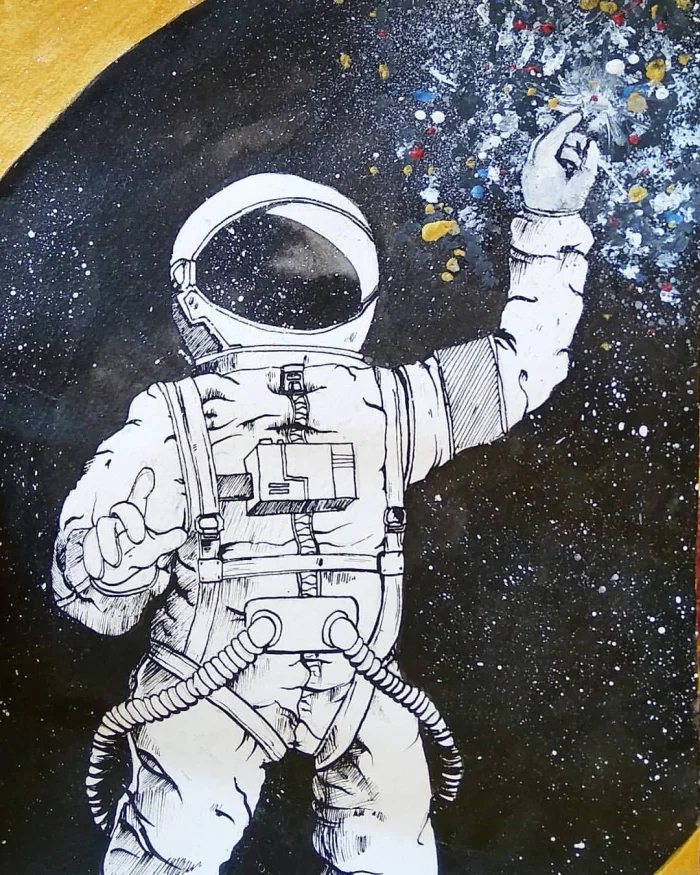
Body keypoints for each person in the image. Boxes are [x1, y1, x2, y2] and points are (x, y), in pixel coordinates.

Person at [52, 112, 598, 875]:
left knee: (212, 846)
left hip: (314, 683)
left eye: (312, 285)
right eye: (281, 282)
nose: (294, 297)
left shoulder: (197, 419)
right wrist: (549, 221)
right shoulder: (388, 406)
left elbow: (96, 597)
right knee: (200, 838)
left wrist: (111, 559)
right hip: (244, 682)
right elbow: (525, 361)